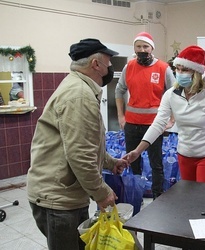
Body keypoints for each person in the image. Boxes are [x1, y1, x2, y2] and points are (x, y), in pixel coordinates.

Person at [27, 38, 129, 250]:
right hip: (59, 199)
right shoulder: (79, 95)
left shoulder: (76, 86)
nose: (110, 67)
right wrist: (103, 193)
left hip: (64, 193)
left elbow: (85, 143)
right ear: (95, 64)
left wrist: (110, 162)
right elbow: (80, 154)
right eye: (108, 62)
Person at [123, 45, 205, 183]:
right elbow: (158, 124)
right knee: (188, 195)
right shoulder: (171, 95)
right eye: (177, 69)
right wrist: (138, 151)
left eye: (185, 70)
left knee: (201, 198)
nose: (180, 73)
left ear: (196, 73)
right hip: (184, 154)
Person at [115, 32, 175, 199]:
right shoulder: (129, 67)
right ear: (134, 48)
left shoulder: (164, 68)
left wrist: (172, 119)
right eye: (138, 46)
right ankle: (136, 196)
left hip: (154, 126)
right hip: (132, 125)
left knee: (156, 164)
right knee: (132, 161)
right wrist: (121, 116)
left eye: (145, 46)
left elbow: (175, 94)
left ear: (152, 48)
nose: (142, 50)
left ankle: (157, 197)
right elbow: (119, 90)